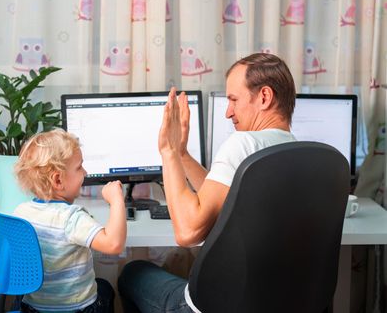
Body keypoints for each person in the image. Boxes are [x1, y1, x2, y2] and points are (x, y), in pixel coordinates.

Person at [118, 53, 297, 312]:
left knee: (132, 272)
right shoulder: (294, 149)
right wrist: (182, 153)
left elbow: (188, 233)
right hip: (271, 303)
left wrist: (167, 151)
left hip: (215, 306)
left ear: (264, 97)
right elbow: (223, 195)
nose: (228, 112)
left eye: (234, 100)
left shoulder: (244, 143)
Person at [13, 128, 126, 313]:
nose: (85, 172)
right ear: (58, 180)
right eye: (79, 167)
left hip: (32, 307)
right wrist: (116, 201)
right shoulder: (71, 218)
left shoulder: (21, 212)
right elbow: (114, 244)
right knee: (106, 288)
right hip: (75, 309)